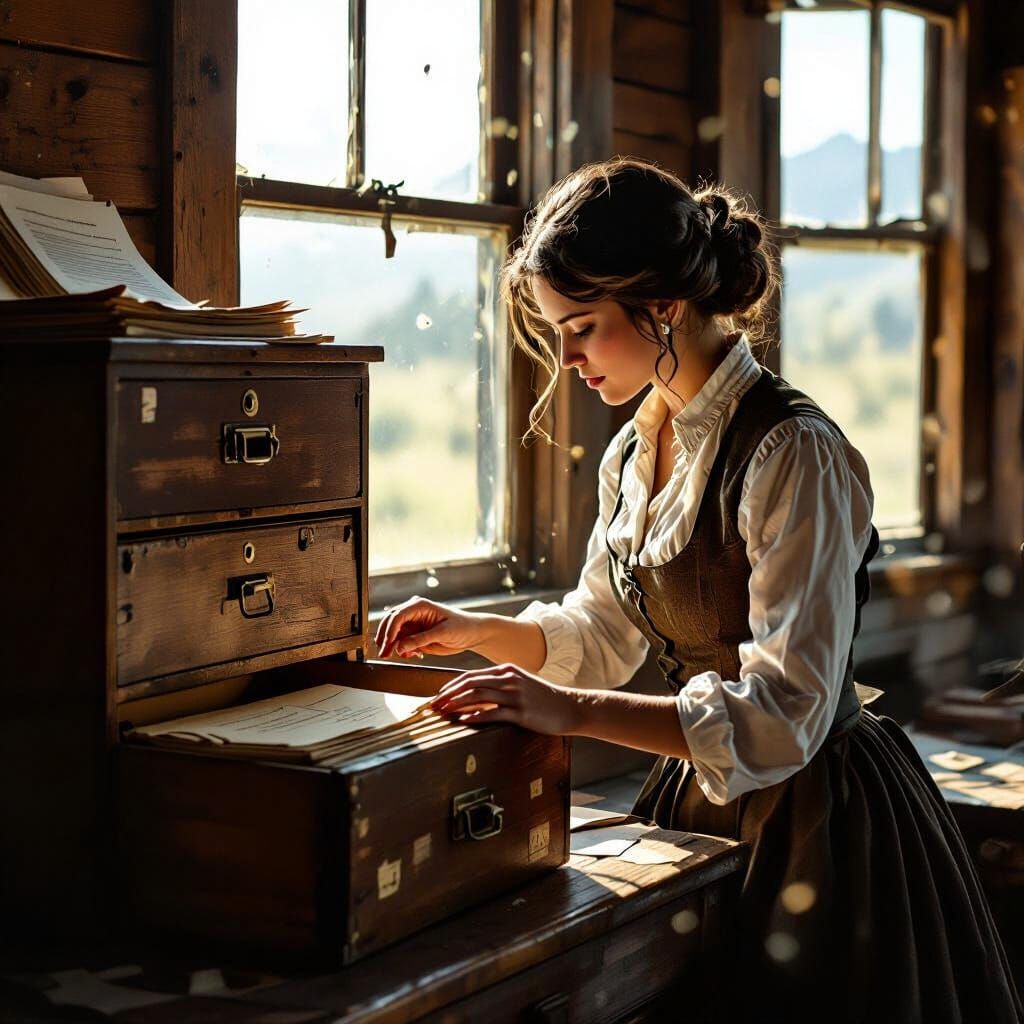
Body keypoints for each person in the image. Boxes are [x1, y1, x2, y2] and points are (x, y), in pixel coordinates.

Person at [373, 157, 1022, 1023]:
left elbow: (786, 713)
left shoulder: (794, 454)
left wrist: (566, 712)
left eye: (582, 327)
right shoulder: (636, 451)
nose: (566, 359)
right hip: (700, 796)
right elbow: (603, 628)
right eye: (555, 330)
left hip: (820, 824)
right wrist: (473, 630)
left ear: (663, 307)